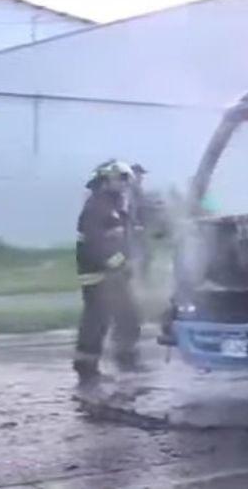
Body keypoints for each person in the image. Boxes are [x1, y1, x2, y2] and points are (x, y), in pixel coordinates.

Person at [73, 160, 145, 389]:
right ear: (105, 181)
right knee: (97, 321)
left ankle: (126, 363)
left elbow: (120, 238)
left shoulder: (113, 205)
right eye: (120, 179)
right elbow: (98, 245)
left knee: (126, 317)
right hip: (99, 276)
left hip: (112, 275)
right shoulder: (97, 207)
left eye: (126, 180)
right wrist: (119, 264)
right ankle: (87, 370)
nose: (124, 185)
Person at [128, 163, 152, 279]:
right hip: (133, 229)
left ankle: (140, 280)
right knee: (138, 256)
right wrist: (135, 224)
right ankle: (136, 282)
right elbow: (131, 208)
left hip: (139, 228)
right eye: (140, 174)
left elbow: (144, 204)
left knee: (144, 256)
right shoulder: (130, 190)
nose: (142, 177)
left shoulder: (137, 189)